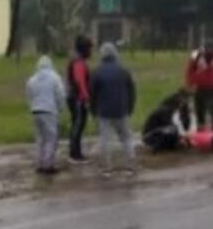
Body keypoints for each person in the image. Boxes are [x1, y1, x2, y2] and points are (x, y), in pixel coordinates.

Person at [89, 43, 137, 177]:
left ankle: (106, 169)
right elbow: (132, 91)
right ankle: (130, 166)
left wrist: (93, 111)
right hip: (122, 109)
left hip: (103, 111)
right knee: (126, 138)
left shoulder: (96, 72)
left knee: (105, 140)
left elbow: (92, 94)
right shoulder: (124, 71)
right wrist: (130, 107)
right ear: (115, 54)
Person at [26, 55, 66, 175]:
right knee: (51, 138)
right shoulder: (55, 78)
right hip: (49, 110)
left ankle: (39, 163)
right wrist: (60, 108)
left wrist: (32, 107)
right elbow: (60, 94)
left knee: (40, 139)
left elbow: (29, 95)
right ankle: (48, 165)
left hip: (35, 111)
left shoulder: (32, 79)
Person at [66, 35, 93, 163]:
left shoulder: (76, 59)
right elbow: (79, 81)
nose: (91, 52)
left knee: (77, 124)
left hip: (74, 96)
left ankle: (75, 151)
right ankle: (75, 154)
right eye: (89, 49)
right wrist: (85, 97)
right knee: (78, 124)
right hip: (77, 98)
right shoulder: (78, 62)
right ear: (84, 49)